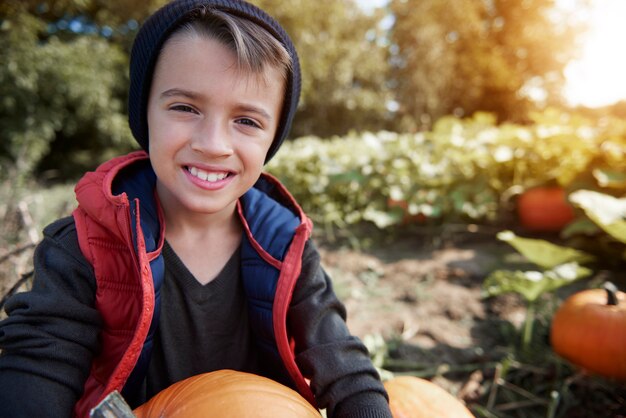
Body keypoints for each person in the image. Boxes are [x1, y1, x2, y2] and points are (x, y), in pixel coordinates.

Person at [0, 1, 393, 417]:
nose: (213, 144)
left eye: (247, 121)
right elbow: (39, 362)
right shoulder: (86, 243)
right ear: (144, 114)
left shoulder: (285, 245)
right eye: (185, 108)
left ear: (273, 137)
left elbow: (342, 362)